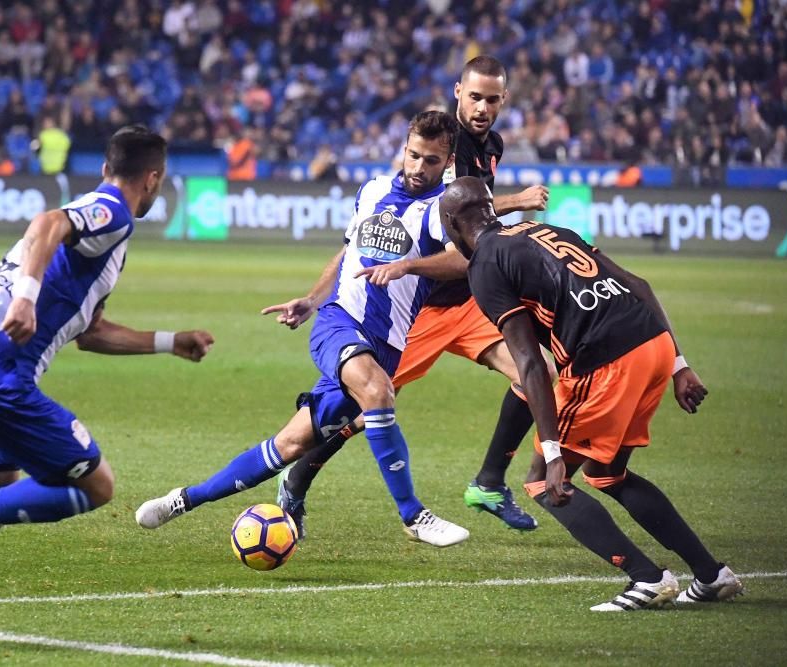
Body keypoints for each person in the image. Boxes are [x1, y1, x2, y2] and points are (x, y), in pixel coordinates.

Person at [0, 125, 215, 646]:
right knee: (96, 486)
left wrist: (168, 341)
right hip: (0, 376)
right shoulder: (112, 210)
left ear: (104, 166)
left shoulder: (99, 232)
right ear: (154, 178)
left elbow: (91, 334)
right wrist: (25, 297)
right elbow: (47, 221)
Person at [136, 111, 471, 547]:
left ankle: (183, 499)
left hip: (385, 344)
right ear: (402, 149)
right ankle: (414, 515)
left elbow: (463, 261)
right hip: (338, 323)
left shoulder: (443, 208)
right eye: (412, 155)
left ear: (447, 162)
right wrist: (312, 301)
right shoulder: (371, 192)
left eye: (430, 160)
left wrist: (408, 264)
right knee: (378, 392)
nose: (418, 167)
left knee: (289, 446)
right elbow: (348, 254)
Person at [277, 55, 551, 537]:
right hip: (417, 309)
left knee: (538, 374)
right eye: (474, 97)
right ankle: (297, 479)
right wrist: (515, 202)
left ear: (504, 100)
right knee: (364, 408)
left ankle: (489, 482)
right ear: (457, 92)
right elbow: (446, 210)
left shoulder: (493, 145)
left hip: (466, 301)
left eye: (492, 99)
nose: (482, 107)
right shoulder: (444, 146)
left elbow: (469, 224)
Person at [441, 176, 744, 611]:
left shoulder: (485, 264)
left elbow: (528, 362)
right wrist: (679, 365)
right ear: (492, 208)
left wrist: (551, 450)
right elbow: (639, 284)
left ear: (452, 223)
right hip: (653, 345)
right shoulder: (547, 231)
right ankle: (712, 576)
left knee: (544, 483)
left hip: (605, 362)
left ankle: (647, 578)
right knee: (607, 472)